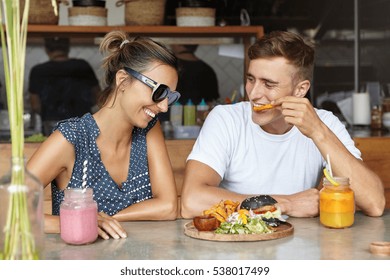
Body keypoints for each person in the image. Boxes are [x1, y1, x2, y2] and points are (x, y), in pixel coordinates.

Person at [181, 31, 385, 219]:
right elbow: (192, 201)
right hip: (239, 249)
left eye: (269, 84)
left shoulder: (325, 123)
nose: (253, 94)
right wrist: (285, 204)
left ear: (300, 90)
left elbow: (374, 203)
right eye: (251, 79)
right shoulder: (225, 119)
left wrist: (318, 132)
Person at [27, 31, 181, 240]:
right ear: (123, 80)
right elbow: (10, 211)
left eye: (170, 97)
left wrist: (109, 218)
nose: (163, 107)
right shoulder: (70, 139)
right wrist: (85, 221)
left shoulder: (149, 129)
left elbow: (168, 206)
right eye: (159, 92)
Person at [28, 37, 101, 135]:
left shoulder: (38, 71)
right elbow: (98, 96)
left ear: (46, 49)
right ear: (68, 48)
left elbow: (35, 105)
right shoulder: (83, 66)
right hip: (82, 126)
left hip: (51, 127)